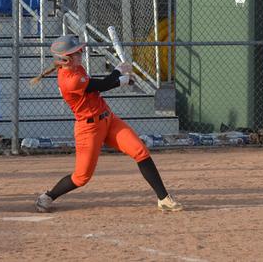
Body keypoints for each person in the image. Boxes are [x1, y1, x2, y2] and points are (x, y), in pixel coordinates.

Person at [35, 35, 183, 213]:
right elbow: (102, 84)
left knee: (140, 151)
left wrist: (121, 79)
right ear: (65, 59)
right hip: (88, 129)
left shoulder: (77, 68)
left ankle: (163, 198)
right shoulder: (69, 79)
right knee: (82, 177)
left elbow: (96, 85)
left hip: (108, 120)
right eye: (76, 52)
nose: (80, 53)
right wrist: (119, 72)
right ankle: (49, 196)